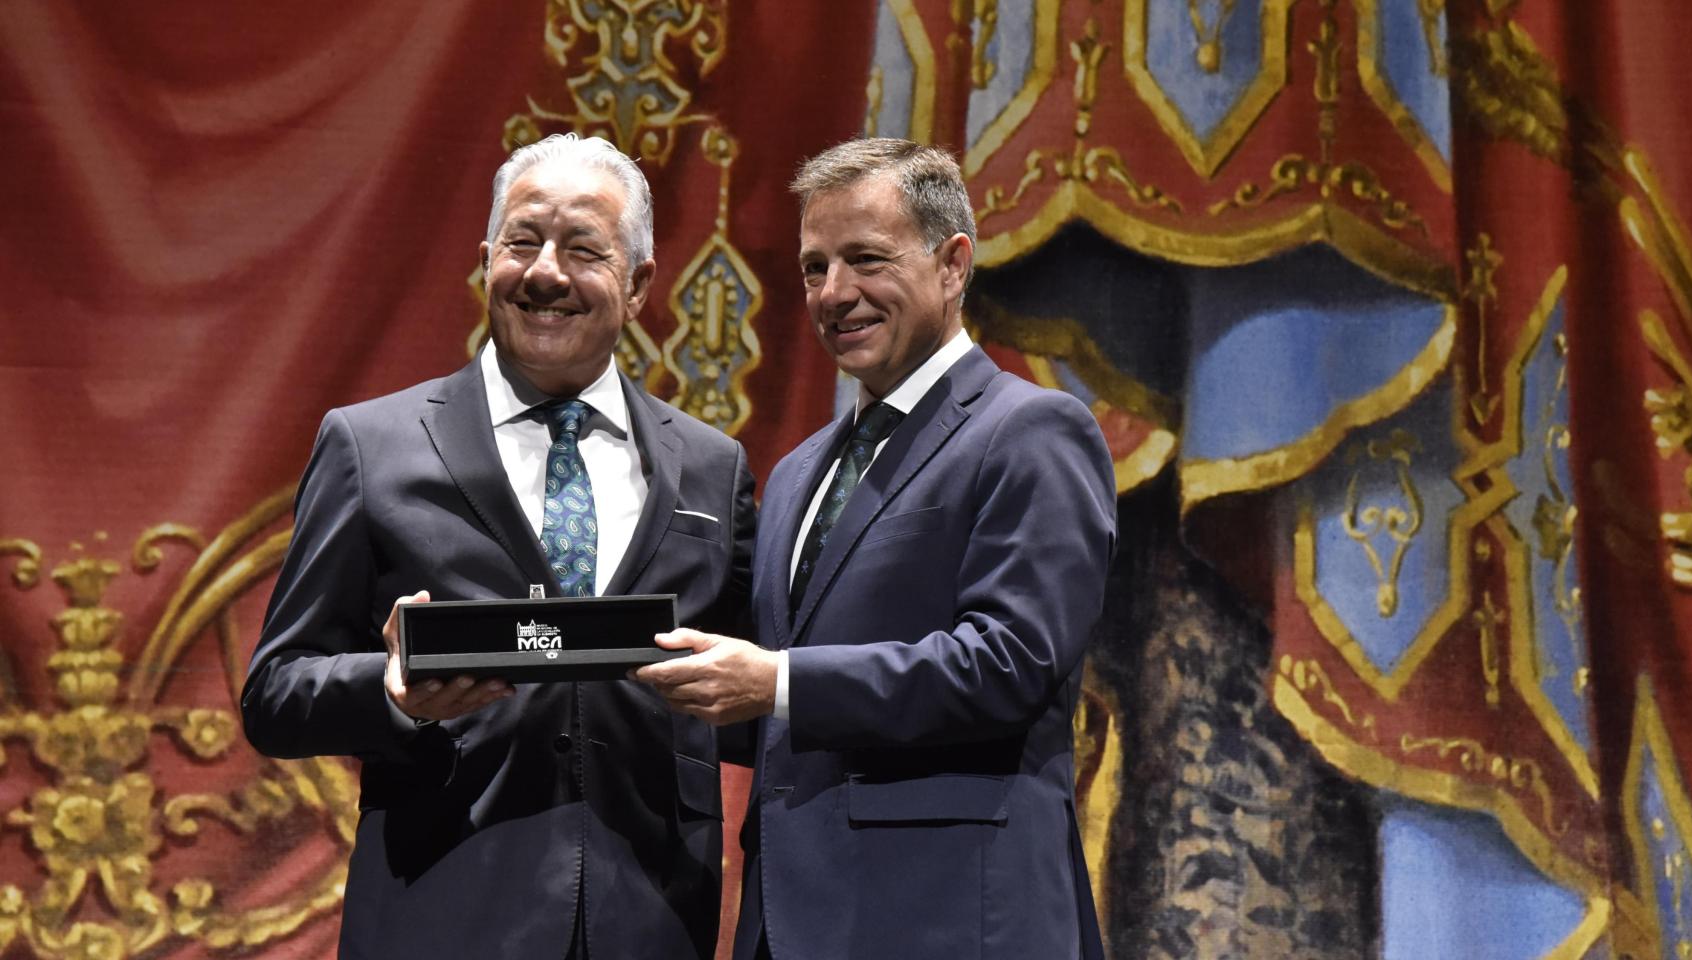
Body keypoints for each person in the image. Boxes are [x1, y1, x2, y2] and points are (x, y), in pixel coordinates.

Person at [242, 133, 754, 960]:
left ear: (639, 283)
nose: (545, 272)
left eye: (583, 248)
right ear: (487, 260)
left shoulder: (712, 468)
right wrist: (395, 692)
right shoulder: (372, 447)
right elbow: (274, 692)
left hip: (655, 921)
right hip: (444, 914)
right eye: (522, 241)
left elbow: (742, 697)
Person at [635, 138, 1116, 960]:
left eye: (865, 260)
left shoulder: (1030, 431)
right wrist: (571, 681)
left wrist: (776, 681)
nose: (835, 293)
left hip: (954, 921)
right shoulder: (794, 473)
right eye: (815, 267)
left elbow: (1007, 664)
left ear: (954, 264)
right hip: (791, 924)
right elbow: (767, 705)